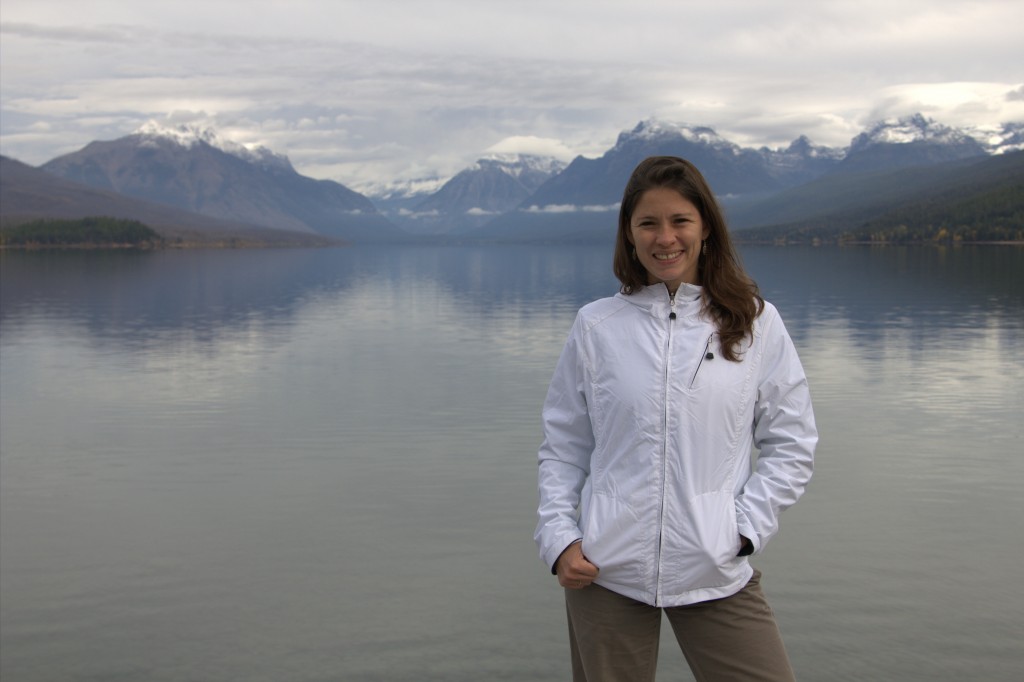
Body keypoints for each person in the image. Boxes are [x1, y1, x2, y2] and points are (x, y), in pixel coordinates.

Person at [534, 156, 817, 682]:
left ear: (705, 227)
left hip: (715, 567)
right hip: (605, 569)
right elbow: (564, 446)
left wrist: (744, 531)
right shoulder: (596, 326)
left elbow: (792, 442)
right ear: (629, 233)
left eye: (680, 221)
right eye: (648, 223)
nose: (665, 238)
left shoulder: (755, 322)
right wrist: (559, 539)